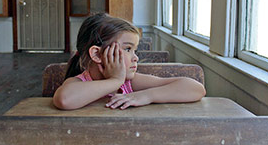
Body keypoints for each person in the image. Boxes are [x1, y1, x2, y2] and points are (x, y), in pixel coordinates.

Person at [53, 13, 206, 110]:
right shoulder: (80, 82)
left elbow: (195, 88)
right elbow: (65, 99)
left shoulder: (129, 83)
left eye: (135, 50)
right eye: (127, 49)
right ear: (97, 54)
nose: (136, 57)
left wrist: (146, 96)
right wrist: (115, 80)